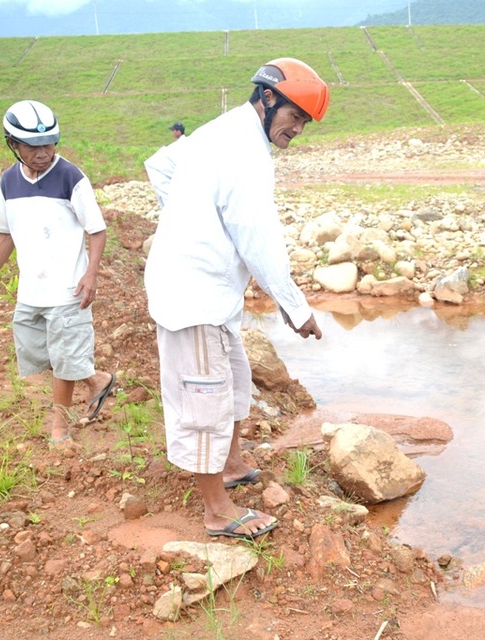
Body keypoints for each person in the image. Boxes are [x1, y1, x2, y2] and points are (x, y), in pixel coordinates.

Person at [144, 58, 329, 541]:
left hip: (211, 292)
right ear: (268, 98)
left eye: (305, 122)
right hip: (193, 294)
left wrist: (189, 215)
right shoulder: (244, 152)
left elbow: (160, 165)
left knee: (236, 380)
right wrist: (295, 308)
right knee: (205, 399)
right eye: (295, 116)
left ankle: (229, 465)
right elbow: (258, 239)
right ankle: (217, 511)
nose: (298, 129)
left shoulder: (222, 131)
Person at [0, 100, 117, 447]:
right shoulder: (9, 182)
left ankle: (59, 430)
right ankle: (96, 380)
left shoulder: (70, 177)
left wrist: (91, 274)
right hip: (31, 290)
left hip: (68, 289)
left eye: (49, 144)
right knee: (49, 355)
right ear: (13, 144)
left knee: (64, 359)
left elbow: (97, 230)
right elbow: (4, 233)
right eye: (32, 147)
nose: (42, 153)